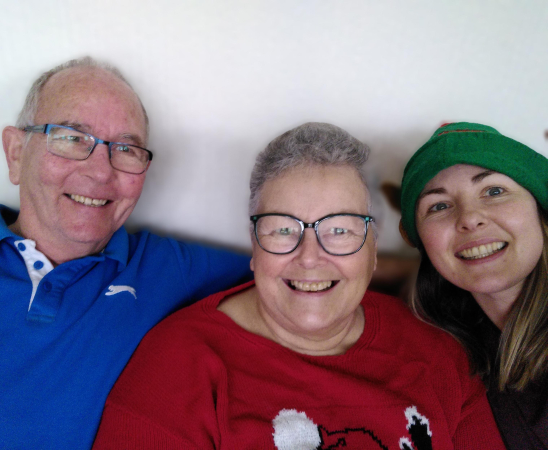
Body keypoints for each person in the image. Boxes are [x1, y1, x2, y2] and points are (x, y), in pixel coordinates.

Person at [93, 122, 505, 450]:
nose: (310, 256)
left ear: (373, 251)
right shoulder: (176, 368)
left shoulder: (437, 355)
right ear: (255, 246)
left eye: (340, 229)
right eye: (282, 229)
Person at [0, 57, 251, 450]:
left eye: (126, 148)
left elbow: (300, 276)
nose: (100, 172)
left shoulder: (169, 270)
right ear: (16, 153)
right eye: (73, 138)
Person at [399, 122, 548, 449]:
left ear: (540, 210)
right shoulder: (443, 354)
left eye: (494, 191)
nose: (469, 218)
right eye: (438, 206)